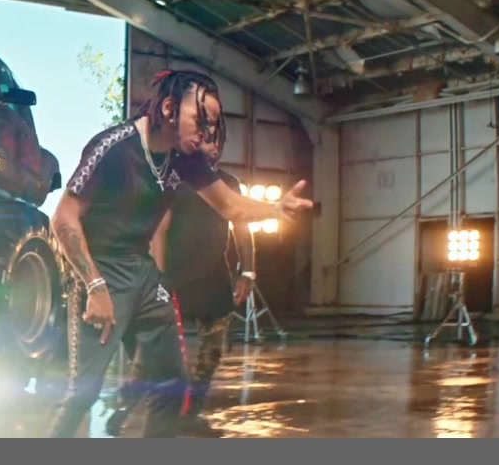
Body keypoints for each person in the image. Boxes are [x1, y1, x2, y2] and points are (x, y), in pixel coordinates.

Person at [46, 69, 312, 438]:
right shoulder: (115, 146)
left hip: (142, 271)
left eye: (212, 125)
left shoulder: (184, 157)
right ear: (169, 108)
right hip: (99, 270)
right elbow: (63, 218)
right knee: (83, 392)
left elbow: (231, 206)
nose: (206, 133)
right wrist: (94, 286)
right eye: (200, 121)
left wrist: (277, 209)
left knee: (172, 387)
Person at [105, 132, 255, 438]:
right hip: (174, 277)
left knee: (212, 352)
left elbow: (242, 228)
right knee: (152, 355)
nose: (213, 148)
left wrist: (248, 272)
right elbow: (159, 232)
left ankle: (190, 413)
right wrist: (159, 278)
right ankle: (124, 406)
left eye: (218, 142)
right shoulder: (174, 178)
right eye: (207, 141)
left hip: (213, 277)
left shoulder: (229, 184)